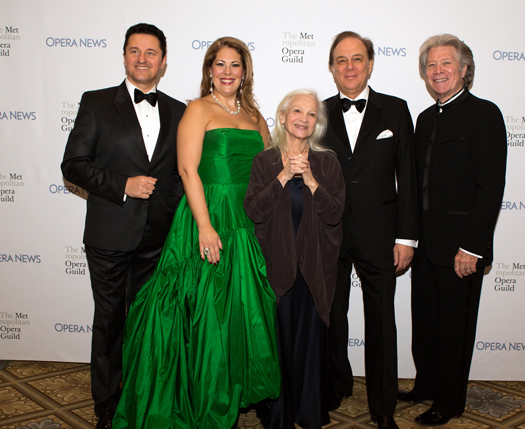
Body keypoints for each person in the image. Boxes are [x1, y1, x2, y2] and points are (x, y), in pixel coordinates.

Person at [111, 36, 280, 429]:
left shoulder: (255, 114)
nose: (226, 72)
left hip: (246, 222)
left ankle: (233, 390)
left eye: (234, 65)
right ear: (209, 70)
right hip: (209, 215)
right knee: (210, 314)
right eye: (219, 64)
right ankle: (207, 400)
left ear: (244, 71)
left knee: (242, 311)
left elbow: (267, 168)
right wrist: (205, 227)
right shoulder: (197, 110)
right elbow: (188, 170)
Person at [61, 23, 186, 429]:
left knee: (151, 321)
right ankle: (108, 406)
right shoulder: (96, 103)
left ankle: (145, 394)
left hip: (158, 238)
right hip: (110, 234)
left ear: (163, 61)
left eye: (151, 52)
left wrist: (169, 207)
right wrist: (123, 186)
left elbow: (181, 174)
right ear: (124, 56)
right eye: (134, 51)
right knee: (111, 321)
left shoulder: (178, 110)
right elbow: (73, 165)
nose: (142, 59)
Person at [397, 34, 507, 426]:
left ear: (464, 70)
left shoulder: (485, 114)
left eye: (447, 64)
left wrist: (473, 247)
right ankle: (426, 385)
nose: (438, 71)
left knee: (454, 329)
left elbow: (491, 186)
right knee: (425, 322)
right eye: (431, 65)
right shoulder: (426, 118)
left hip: (462, 249)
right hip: (425, 246)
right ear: (424, 74)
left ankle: (450, 401)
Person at [323, 31, 419, 429]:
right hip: (328, 234)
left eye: (357, 59)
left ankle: (383, 409)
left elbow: (409, 178)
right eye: (341, 60)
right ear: (331, 68)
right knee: (330, 317)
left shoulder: (395, 110)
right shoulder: (319, 111)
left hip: (382, 235)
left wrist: (406, 237)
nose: (349, 66)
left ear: (370, 64)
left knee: (381, 322)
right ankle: (331, 390)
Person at [245, 89, 345, 428]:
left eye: (311, 114)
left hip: (314, 268)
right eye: (297, 111)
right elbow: (254, 211)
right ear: (284, 117)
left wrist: (312, 181)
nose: (303, 118)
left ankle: (309, 410)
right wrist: (284, 176)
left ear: (317, 123)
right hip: (278, 267)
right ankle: (280, 413)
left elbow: (334, 214)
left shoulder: (327, 161)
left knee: (311, 343)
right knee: (279, 342)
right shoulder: (265, 161)